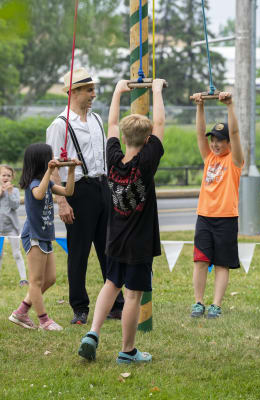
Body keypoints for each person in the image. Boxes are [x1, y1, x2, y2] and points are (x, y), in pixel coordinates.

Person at [78, 78, 166, 364]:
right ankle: (127, 351)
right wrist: (155, 91)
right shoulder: (147, 163)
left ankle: (93, 333)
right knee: (132, 296)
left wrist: (117, 91)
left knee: (110, 284)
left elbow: (112, 125)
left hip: (114, 239)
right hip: (139, 244)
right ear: (148, 140)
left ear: (124, 139)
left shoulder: (113, 158)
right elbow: (161, 126)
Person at [46, 67, 124, 325]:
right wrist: (62, 201)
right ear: (74, 92)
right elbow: (54, 166)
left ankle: (116, 303)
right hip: (78, 191)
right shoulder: (60, 125)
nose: (93, 94)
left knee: (108, 249)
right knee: (78, 252)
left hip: (102, 186)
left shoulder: (97, 119)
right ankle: (80, 308)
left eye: (93, 89)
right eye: (89, 90)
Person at [9, 143, 81, 331]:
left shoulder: (47, 182)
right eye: (50, 157)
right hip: (33, 235)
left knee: (50, 278)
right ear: (42, 161)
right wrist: (50, 172)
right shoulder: (34, 183)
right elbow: (39, 195)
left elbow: (68, 192)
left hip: (45, 235)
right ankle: (44, 320)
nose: (54, 159)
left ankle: (21, 312)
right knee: (36, 281)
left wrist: (71, 171)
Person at [191, 92, 244, 319]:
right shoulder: (209, 157)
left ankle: (216, 305)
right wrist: (200, 107)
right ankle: (198, 302)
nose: (215, 144)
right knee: (200, 261)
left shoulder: (235, 160)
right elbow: (200, 135)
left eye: (220, 140)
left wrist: (230, 105)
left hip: (226, 218)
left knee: (222, 264)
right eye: (213, 140)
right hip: (204, 216)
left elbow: (234, 132)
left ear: (229, 143)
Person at [0, 165, 28, 286]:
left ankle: (23, 279)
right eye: (3, 175)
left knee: (17, 253)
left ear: (12, 177)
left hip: (12, 228)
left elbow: (15, 206)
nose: (6, 177)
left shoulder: (15, 191)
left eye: (8, 175)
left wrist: (10, 193)